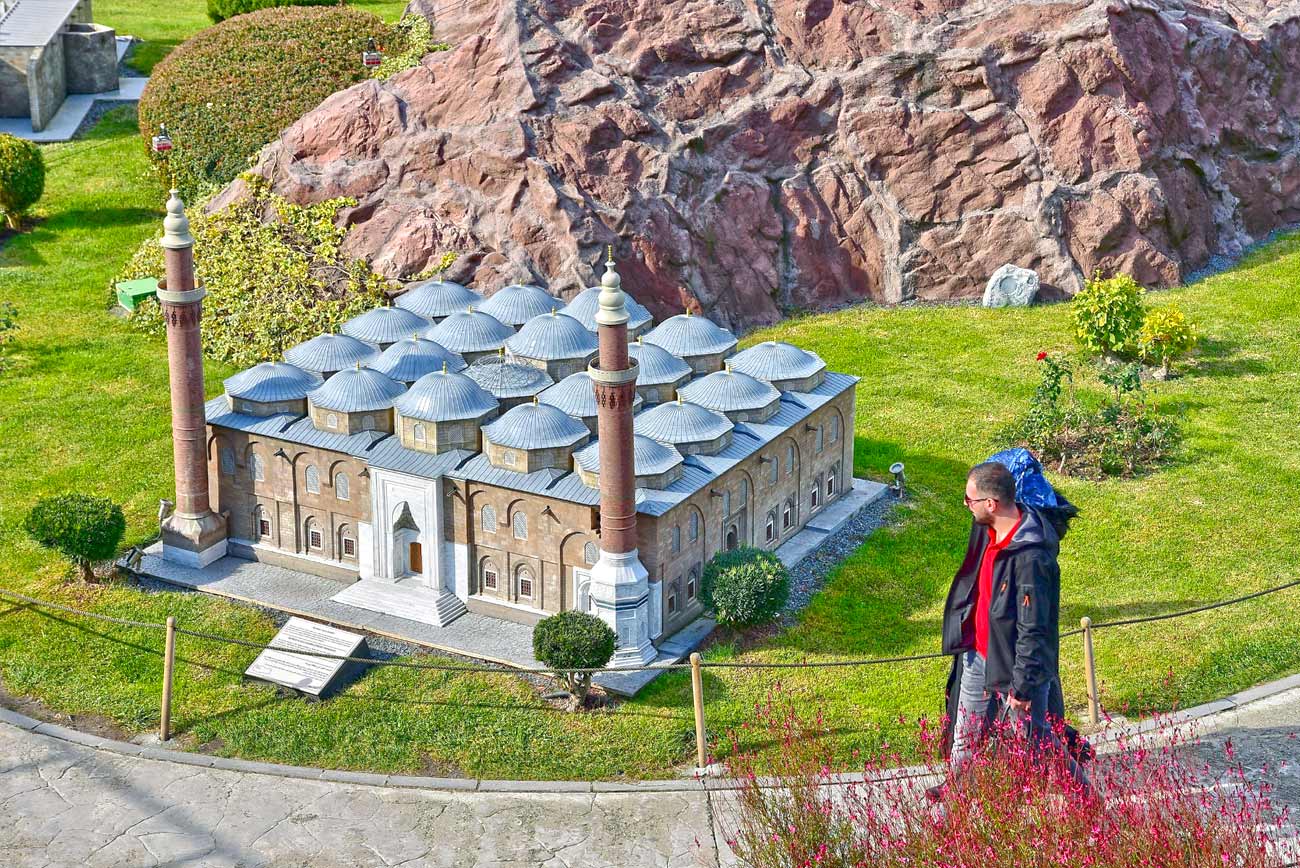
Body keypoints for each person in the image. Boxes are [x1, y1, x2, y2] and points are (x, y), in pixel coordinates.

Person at [934, 460, 1088, 796]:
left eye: (969, 499)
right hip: (978, 655)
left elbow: (1035, 628)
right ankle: (951, 811)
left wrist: (1021, 688)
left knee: (1040, 741)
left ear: (991, 504)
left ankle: (1086, 801)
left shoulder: (1031, 557)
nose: (965, 505)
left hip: (1014, 666)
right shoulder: (988, 530)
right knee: (965, 737)